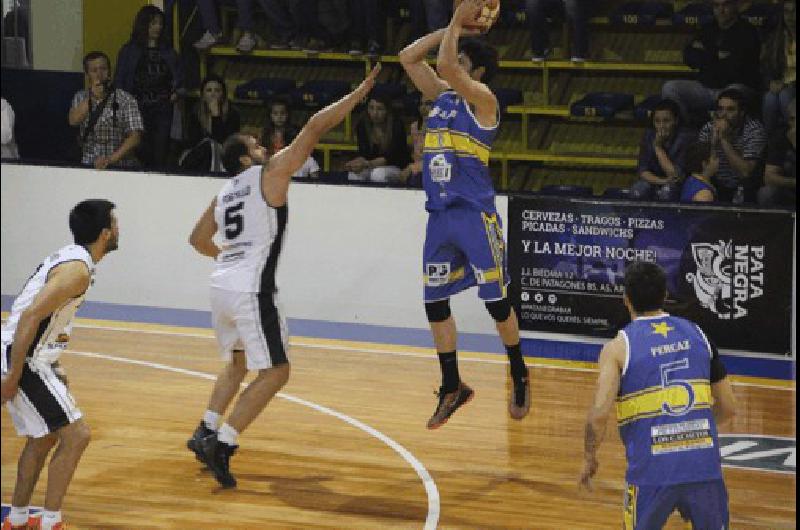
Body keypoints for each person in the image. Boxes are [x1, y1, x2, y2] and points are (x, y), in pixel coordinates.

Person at [185, 65, 380, 489]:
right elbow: (313, 127)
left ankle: (205, 428)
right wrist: (357, 96)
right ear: (244, 158)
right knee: (276, 372)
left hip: (222, 285)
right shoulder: (267, 174)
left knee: (236, 363)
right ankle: (223, 442)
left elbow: (197, 239)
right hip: (250, 288)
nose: (265, 147)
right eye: (256, 145)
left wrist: (230, 257)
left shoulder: (224, 192)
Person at [399, 0, 531, 430]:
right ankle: (452, 384)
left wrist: (458, 23)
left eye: (463, 59)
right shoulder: (442, 96)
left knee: (497, 304)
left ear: (479, 73)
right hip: (439, 216)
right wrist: (452, 27)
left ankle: (518, 369)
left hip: (475, 216)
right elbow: (408, 57)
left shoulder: (484, 101)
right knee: (434, 302)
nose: (454, 62)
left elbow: (446, 65)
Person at [579, 261, 737, 529]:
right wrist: (690, 427)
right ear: (665, 295)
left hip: (651, 472)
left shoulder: (618, 349)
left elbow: (599, 415)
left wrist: (589, 458)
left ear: (626, 300)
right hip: (703, 468)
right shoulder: (698, 335)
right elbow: (729, 408)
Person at [1, 200, 119, 530]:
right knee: (77, 435)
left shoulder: (75, 259)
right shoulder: (76, 270)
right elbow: (31, 315)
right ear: (106, 234)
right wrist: (13, 373)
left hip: (34, 355)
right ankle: (51, 521)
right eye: (116, 223)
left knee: (42, 438)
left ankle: (18, 518)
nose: (120, 229)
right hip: (23, 356)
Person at [662, 0, 760, 126]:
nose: (721, 10)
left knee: (732, 95)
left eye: (725, 5)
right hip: (706, 88)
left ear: (734, 6)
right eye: (716, 6)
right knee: (670, 88)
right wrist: (716, 55)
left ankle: (728, 138)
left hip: (735, 87)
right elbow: (689, 57)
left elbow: (735, 67)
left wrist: (705, 52)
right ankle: (686, 132)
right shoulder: (707, 28)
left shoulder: (747, 31)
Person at [115, 5, 184, 170]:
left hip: (162, 109)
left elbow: (180, 79)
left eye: (160, 23)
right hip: (137, 108)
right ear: (143, 24)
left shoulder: (169, 52)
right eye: (153, 23)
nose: (157, 27)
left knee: (161, 150)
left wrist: (176, 93)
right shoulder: (129, 51)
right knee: (138, 148)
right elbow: (121, 81)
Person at [68, 51, 144, 170]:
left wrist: (110, 159)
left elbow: (135, 137)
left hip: (120, 164)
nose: (99, 74)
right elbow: (73, 121)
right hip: (89, 163)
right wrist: (92, 98)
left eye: (103, 69)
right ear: (88, 74)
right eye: (94, 70)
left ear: (109, 72)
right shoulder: (80, 97)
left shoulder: (126, 99)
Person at [698, 88, 767, 203]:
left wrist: (724, 140)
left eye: (730, 109)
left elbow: (745, 172)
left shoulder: (754, 130)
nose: (724, 115)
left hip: (744, 187)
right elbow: (702, 170)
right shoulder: (708, 128)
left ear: (742, 112)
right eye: (720, 109)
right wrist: (714, 144)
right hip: (716, 184)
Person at [629, 99, 695, 202]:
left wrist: (658, 147)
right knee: (638, 190)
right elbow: (643, 171)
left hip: (680, 185)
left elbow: (675, 176)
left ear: (676, 121)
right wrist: (662, 181)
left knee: (667, 192)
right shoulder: (649, 136)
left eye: (666, 121)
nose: (661, 126)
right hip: (657, 181)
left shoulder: (685, 139)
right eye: (657, 121)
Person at [180, 74, 241, 172]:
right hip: (200, 157)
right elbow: (192, 142)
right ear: (203, 95)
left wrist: (215, 115)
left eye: (217, 90)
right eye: (209, 90)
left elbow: (225, 142)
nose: (213, 94)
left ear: (223, 94)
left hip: (224, 157)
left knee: (214, 145)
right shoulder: (195, 113)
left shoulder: (232, 114)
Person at [345, 93, 410, 184]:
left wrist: (367, 164)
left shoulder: (396, 126)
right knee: (354, 174)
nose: (375, 113)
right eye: (371, 108)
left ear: (387, 110)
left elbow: (391, 157)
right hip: (370, 165)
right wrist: (356, 163)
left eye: (380, 109)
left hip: (395, 166)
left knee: (378, 174)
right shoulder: (363, 125)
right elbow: (363, 153)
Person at [760, 0, 796, 134]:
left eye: (795, 11)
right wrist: (770, 82)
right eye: (787, 12)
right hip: (782, 84)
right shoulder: (778, 38)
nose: (791, 17)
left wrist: (789, 85)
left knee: (785, 96)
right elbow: (766, 66)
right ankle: (769, 142)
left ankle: (792, 139)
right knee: (769, 98)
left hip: (790, 87)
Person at [261, 98, 319, 178]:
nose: (279, 117)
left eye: (282, 113)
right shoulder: (265, 133)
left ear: (288, 114)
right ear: (270, 115)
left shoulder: (294, 132)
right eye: (275, 113)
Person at [758, 97, 796, 207]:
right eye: (793, 119)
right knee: (766, 193)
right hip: (789, 193)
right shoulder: (781, 137)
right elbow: (769, 178)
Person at [400, 97, 434, 187]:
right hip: (418, 168)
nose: (423, 108)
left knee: (417, 177)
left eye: (428, 104)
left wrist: (413, 167)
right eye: (421, 104)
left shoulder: (444, 127)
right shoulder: (414, 127)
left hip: (437, 170)